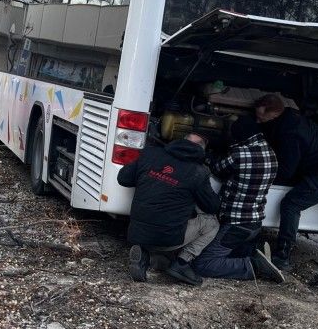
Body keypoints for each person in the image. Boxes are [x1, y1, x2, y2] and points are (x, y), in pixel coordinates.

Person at [254, 94, 318, 292]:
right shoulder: (292, 117)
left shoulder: (289, 132)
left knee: (291, 204)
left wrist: (261, 173)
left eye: (261, 117)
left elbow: (287, 171)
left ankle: (282, 257)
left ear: (274, 113)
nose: (258, 121)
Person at [118, 133, 220, 286]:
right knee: (212, 223)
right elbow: (212, 207)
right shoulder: (198, 172)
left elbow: (123, 179)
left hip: (136, 233)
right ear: (201, 149)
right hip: (168, 239)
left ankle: (145, 255)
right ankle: (182, 263)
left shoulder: (150, 154)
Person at [192, 120, 284, 283]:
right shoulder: (272, 154)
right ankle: (251, 251)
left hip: (236, 225)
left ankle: (254, 266)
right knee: (227, 251)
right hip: (254, 223)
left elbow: (217, 168)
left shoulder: (239, 154)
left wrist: (208, 154)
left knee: (202, 263)